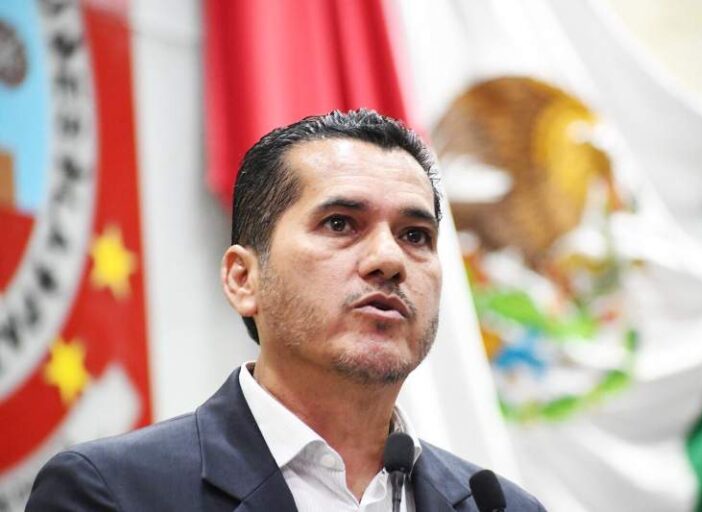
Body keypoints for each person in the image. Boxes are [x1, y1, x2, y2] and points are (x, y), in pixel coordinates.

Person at [26, 110, 545, 511]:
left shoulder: (502, 506)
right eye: (340, 224)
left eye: (415, 235)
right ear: (243, 279)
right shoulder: (113, 492)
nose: (389, 260)